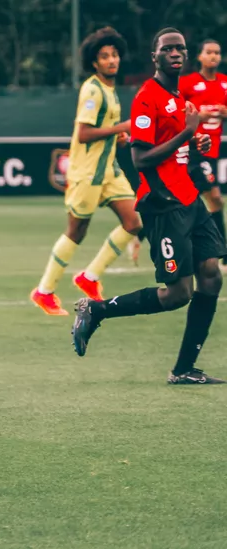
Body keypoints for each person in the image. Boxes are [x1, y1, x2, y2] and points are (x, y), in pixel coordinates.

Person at [72, 28, 227, 385]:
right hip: (164, 204)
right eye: (167, 49)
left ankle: (185, 369)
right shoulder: (147, 97)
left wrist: (195, 143)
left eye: (181, 49)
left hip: (189, 198)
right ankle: (96, 310)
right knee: (178, 294)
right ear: (154, 57)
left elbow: (176, 151)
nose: (176, 53)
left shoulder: (179, 95)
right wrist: (188, 133)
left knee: (211, 274)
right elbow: (141, 159)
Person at [31, 28, 141, 315]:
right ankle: (44, 291)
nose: (111, 60)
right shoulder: (92, 89)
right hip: (87, 172)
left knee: (135, 222)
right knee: (77, 231)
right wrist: (121, 128)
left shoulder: (111, 91)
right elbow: (83, 133)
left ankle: (89, 277)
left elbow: (103, 132)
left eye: (114, 55)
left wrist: (117, 137)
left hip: (108, 171)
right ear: (94, 62)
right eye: (104, 56)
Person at [179, 39, 227, 269]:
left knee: (186, 197)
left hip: (213, 150)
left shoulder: (225, 83)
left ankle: (138, 235)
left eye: (217, 53)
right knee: (214, 198)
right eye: (209, 52)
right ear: (199, 56)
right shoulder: (188, 83)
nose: (214, 57)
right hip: (195, 150)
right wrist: (199, 115)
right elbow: (177, 112)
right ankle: (223, 253)